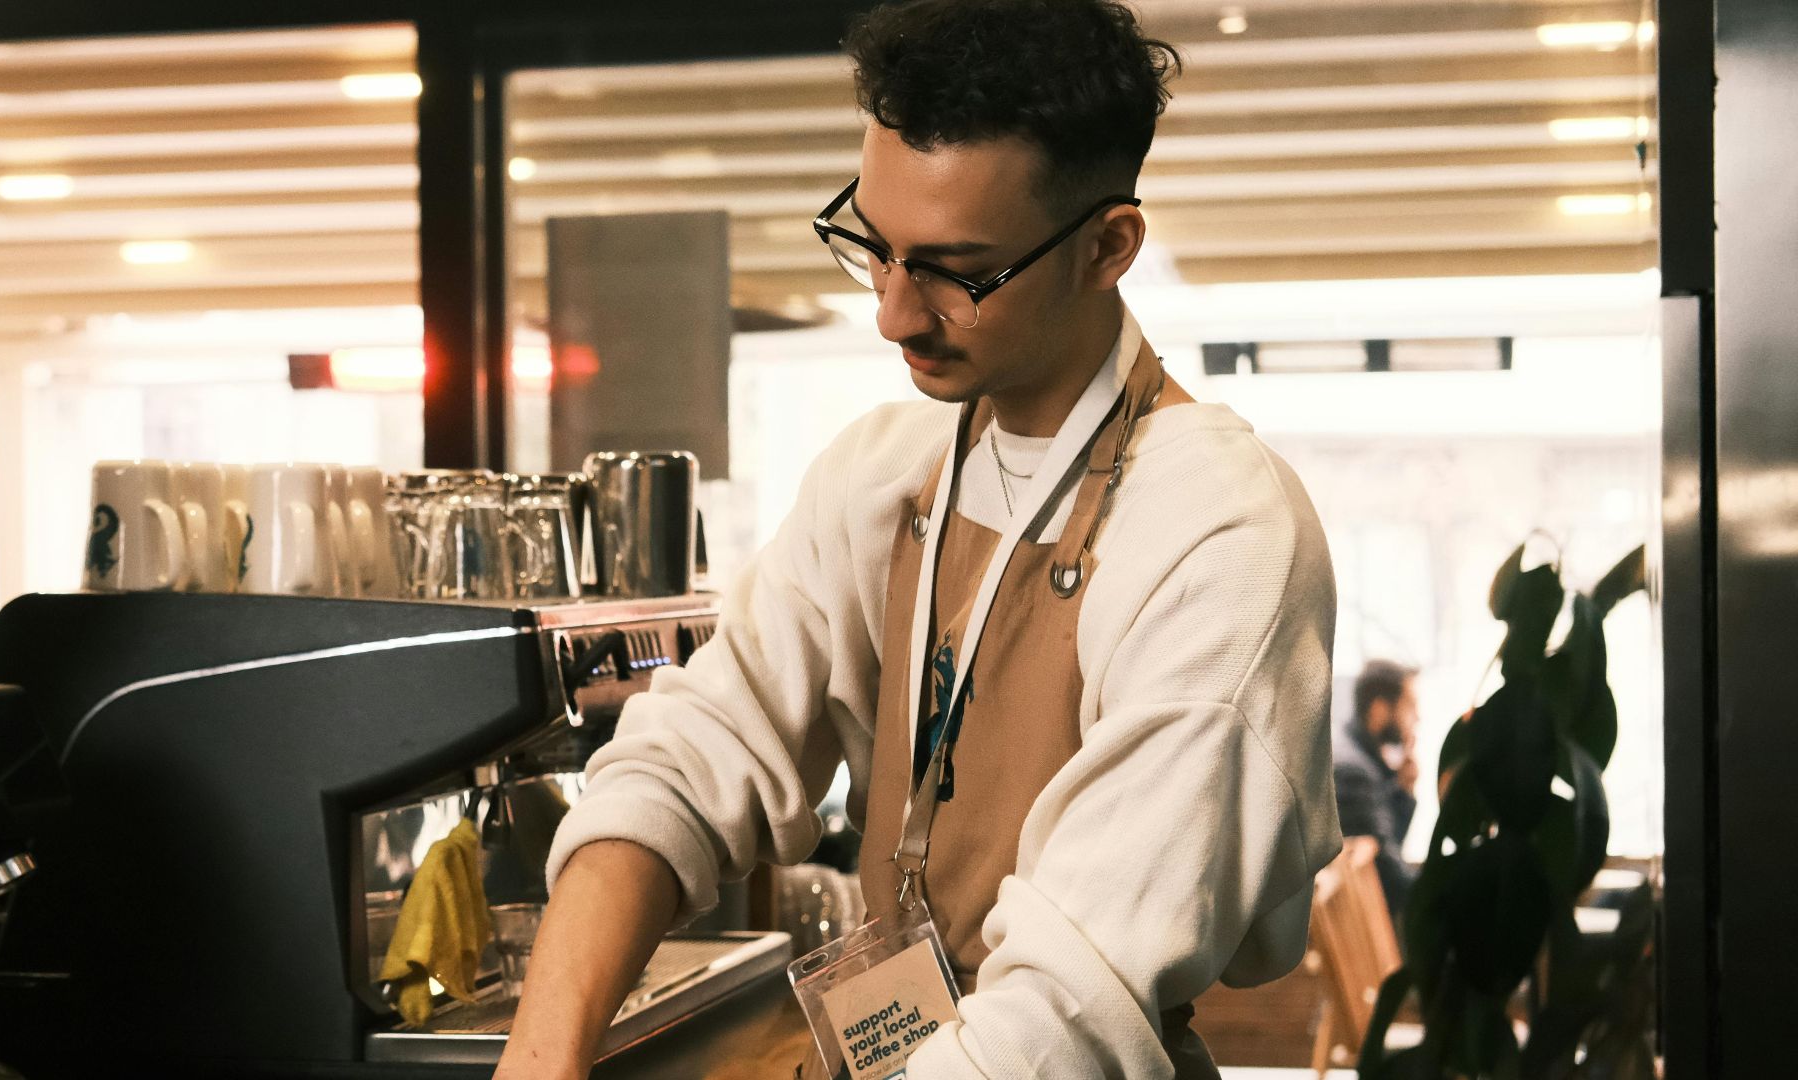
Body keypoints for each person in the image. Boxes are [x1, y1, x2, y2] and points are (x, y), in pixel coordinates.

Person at [494, 1, 1340, 1076]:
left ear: (1106, 249)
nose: (894, 313)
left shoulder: (1219, 535)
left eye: (954, 269)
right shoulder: (888, 472)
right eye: (874, 246)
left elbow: (1069, 1010)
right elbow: (688, 760)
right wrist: (543, 1054)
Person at [1333, 659, 1422, 924]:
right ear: (1381, 709)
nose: (1417, 717)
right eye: (1410, 706)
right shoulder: (1353, 772)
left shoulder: (1364, 761)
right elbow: (1388, 878)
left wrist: (1403, 789)